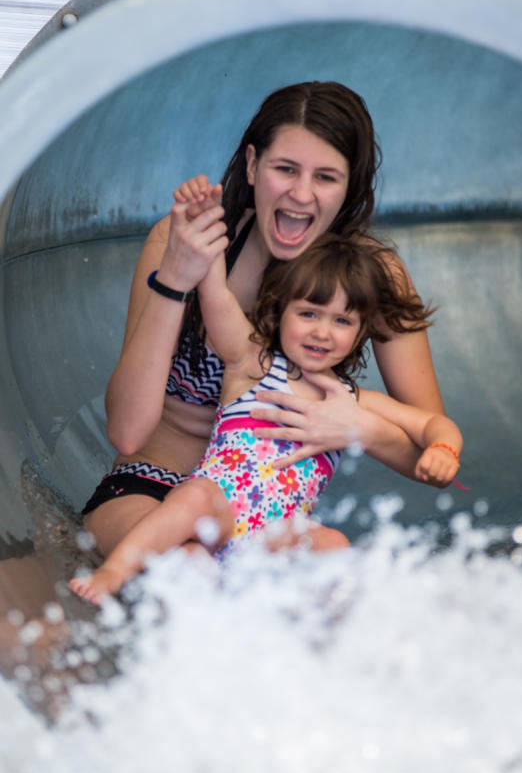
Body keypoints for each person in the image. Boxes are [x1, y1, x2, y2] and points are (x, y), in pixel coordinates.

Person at [80, 81, 447, 571]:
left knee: (339, 573)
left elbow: (432, 454)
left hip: (262, 517)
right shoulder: (190, 239)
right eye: (285, 169)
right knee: (191, 570)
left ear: (351, 186)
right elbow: (126, 432)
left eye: (326, 177)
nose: (301, 194)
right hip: (151, 489)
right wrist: (176, 280)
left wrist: (360, 427)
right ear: (253, 165)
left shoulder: (368, 276)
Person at [69, 233, 462, 603]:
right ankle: (114, 572)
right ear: (280, 312)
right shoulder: (252, 362)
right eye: (308, 313)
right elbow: (217, 296)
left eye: (342, 321)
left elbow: (429, 424)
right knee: (195, 495)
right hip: (219, 513)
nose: (323, 332)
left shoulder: (354, 400)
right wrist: (207, 243)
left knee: (334, 546)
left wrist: (445, 448)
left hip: (276, 536)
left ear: (360, 334)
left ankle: (325, 648)